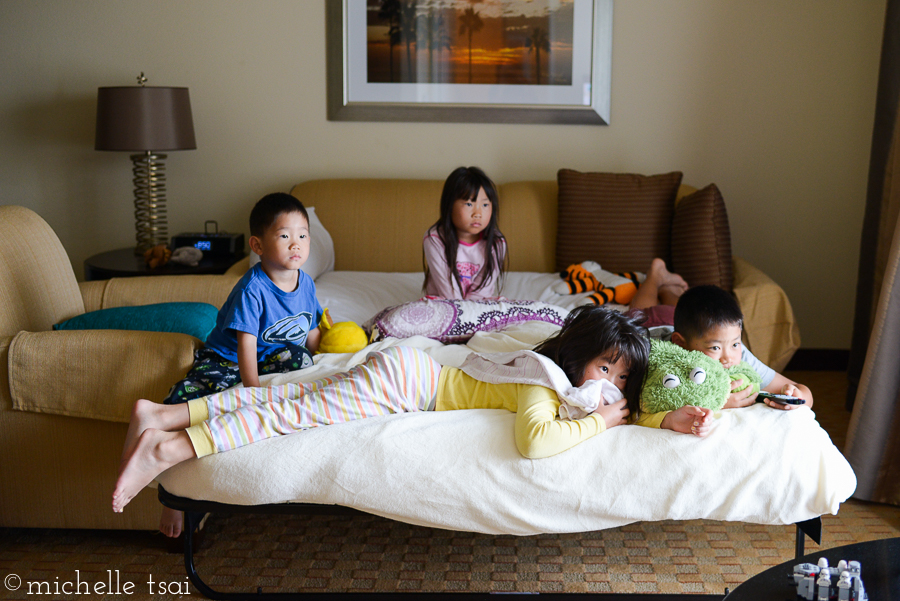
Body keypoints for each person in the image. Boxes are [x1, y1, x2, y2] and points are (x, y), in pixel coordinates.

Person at [112, 306, 712, 515]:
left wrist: (664, 417)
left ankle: (161, 416)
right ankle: (171, 449)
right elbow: (537, 443)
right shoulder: (545, 383)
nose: (611, 390)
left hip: (411, 367)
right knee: (291, 416)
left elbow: (622, 412)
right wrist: (597, 422)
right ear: (577, 359)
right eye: (606, 370)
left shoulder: (566, 380)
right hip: (407, 385)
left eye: (623, 379)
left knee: (288, 393)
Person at [155, 192, 324, 537]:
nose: (297, 245)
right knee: (183, 397)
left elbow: (312, 330)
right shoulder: (253, 288)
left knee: (302, 359)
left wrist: (324, 360)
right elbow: (245, 345)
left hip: (270, 356)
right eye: (284, 236)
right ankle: (173, 498)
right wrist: (252, 391)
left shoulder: (305, 283)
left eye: (303, 235)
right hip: (228, 357)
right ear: (258, 245)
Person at [637, 284, 814, 436]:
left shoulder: (737, 352)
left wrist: (795, 396)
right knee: (642, 307)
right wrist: (718, 401)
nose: (728, 356)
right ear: (680, 343)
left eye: (735, 344)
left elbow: (804, 393)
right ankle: (655, 276)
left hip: (683, 323)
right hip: (649, 323)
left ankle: (670, 287)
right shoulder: (651, 354)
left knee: (672, 303)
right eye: (715, 348)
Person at [423, 166, 508, 300]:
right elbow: (449, 292)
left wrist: (471, 308)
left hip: (477, 302)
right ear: (449, 205)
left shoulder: (497, 243)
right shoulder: (434, 239)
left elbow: (482, 290)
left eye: (485, 205)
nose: (478, 214)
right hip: (445, 302)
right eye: (469, 204)